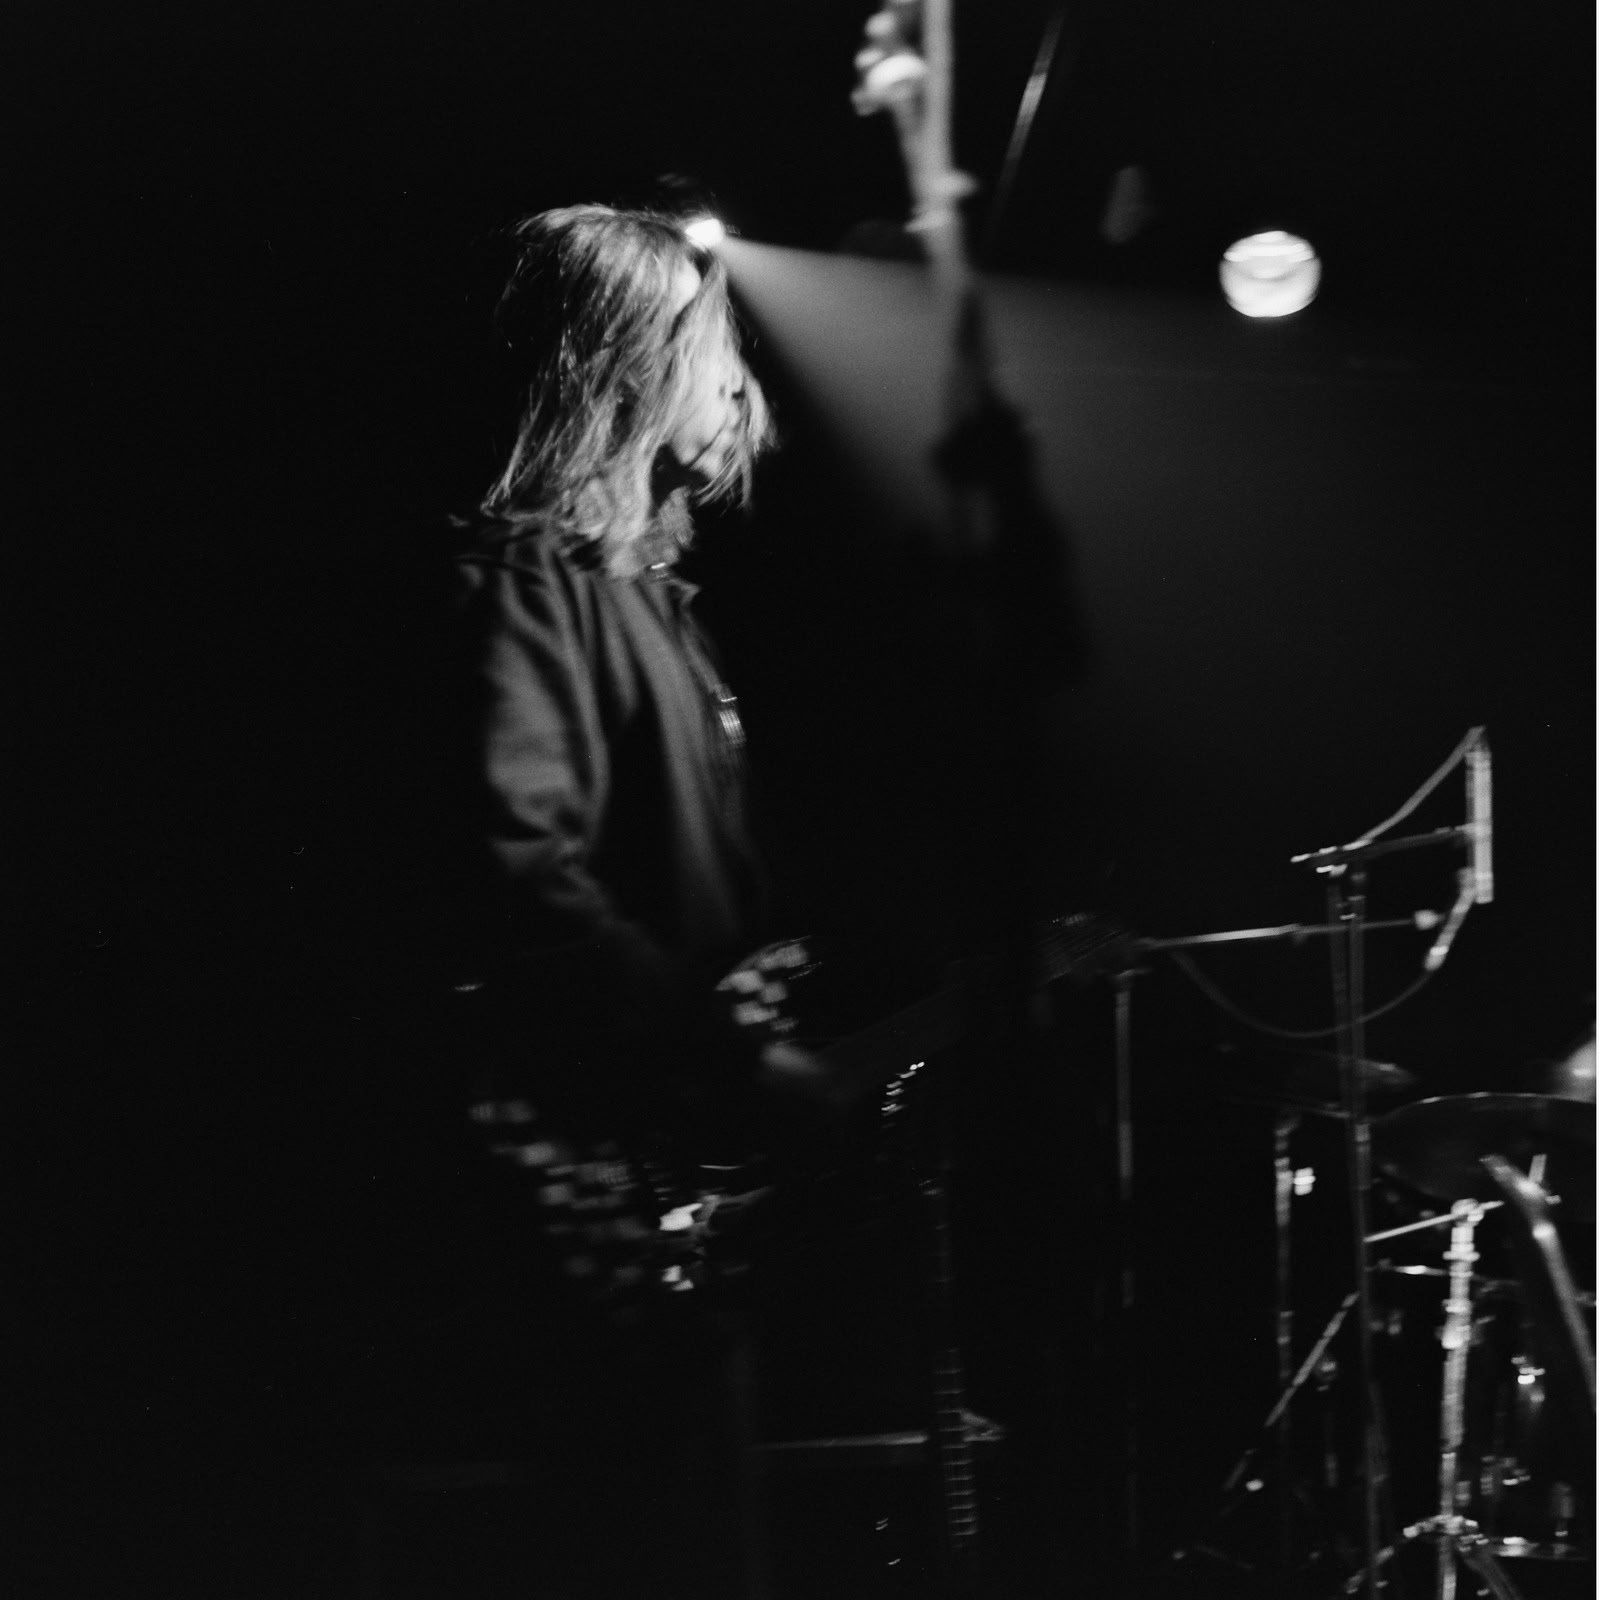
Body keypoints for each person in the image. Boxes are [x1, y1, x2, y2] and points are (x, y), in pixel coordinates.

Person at [444, 202, 835, 1599]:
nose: (734, 377)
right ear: (620, 358)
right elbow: (524, 876)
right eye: (705, 340)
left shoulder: (652, 597)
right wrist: (726, 1045)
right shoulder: (519, 585)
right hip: (578, 1160)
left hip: (664, 1150)